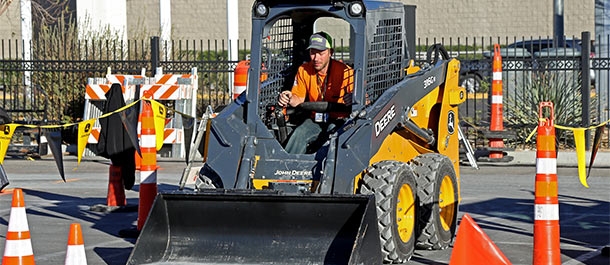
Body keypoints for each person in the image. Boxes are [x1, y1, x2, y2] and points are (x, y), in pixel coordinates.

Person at [278, 32, 354, 154]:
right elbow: (298, 99)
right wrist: (289, 98)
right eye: (313, 52)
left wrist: (352, 98)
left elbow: (360, 99)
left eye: (321, 53)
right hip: (315, 119)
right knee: (299, 133)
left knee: (332, 136)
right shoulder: (303, 70)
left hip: (338, 119)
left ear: (330, 53)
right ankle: (285, 167)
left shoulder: (345, 72)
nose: (316, 58)